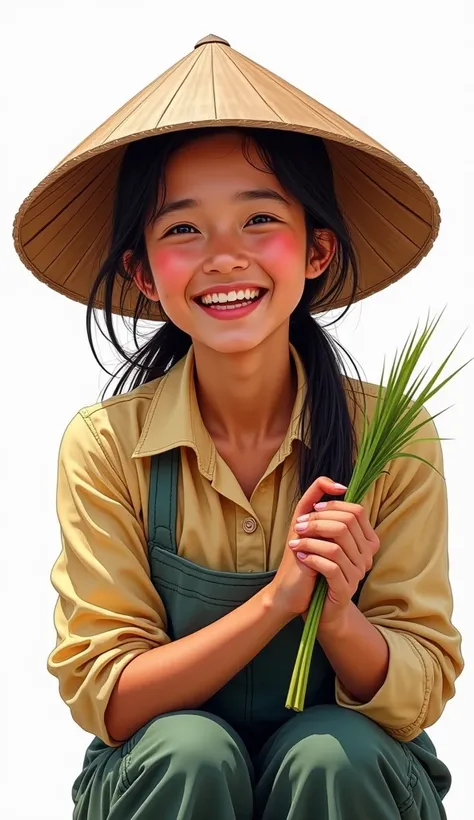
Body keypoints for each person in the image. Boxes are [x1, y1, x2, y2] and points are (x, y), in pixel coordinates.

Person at [13, 34, 463, 820]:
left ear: (317, 249)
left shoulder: (390, 435)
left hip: (353, 783)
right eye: (183, 229)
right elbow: (111, 700)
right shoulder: (106, 446)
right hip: (163, 783)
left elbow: (417, 692)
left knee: (335, 754)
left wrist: (341, 613)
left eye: (260, 219)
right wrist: (281, 600)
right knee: (189, 751)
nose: (225, 257)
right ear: (143, 273)